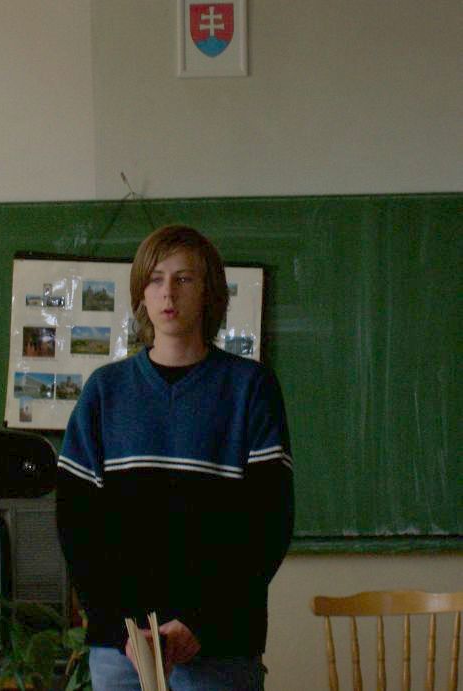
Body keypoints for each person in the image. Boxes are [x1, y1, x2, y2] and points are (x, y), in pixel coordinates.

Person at [56, 225, 294, 691]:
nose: (168, 292)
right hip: (122, 652)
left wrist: (200, 621)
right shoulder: (104, 392)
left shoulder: (250, 389)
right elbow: (77, 526)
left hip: (220, 648)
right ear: (141, 295)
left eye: (184, 279)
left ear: (209, 293)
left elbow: (268, 526)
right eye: (156, 279)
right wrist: (123, 629)